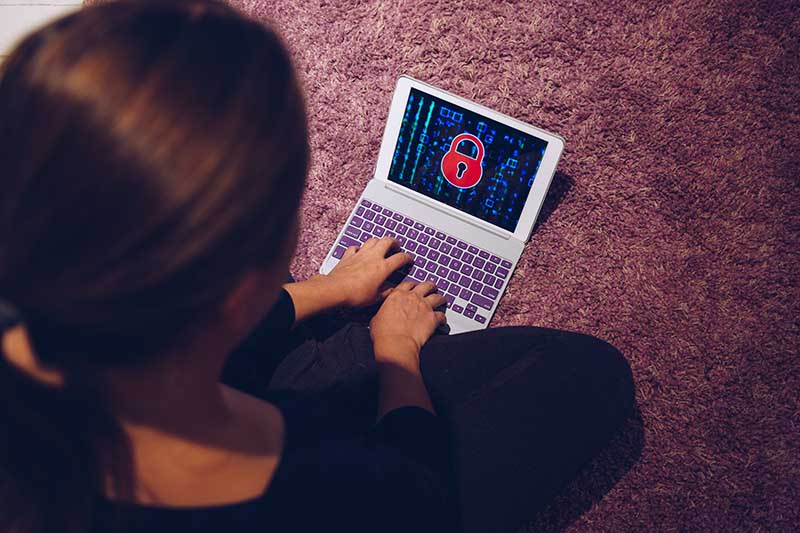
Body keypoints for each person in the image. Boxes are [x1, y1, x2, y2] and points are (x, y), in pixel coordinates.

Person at [0, 1, 634, 532]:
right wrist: (397, 358)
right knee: (583, 374)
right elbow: (414, 505)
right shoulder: (315, 499)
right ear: (243, 286)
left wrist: (333, 287)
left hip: (199, 391)